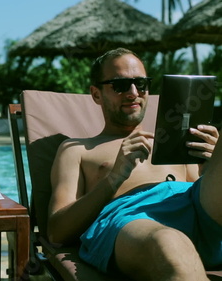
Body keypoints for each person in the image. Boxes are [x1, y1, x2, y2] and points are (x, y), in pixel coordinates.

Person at [47, 47, 222, 280]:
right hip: (133, 218)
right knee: (169, 241)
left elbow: (201, 196)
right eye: (120, 85)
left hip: (192, 204)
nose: (133, 93)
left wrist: (213, 163)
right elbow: (57, 232)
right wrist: (114, 177)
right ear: (96, 94)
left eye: (141, 84)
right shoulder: (76, 149)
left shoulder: (174, 141)